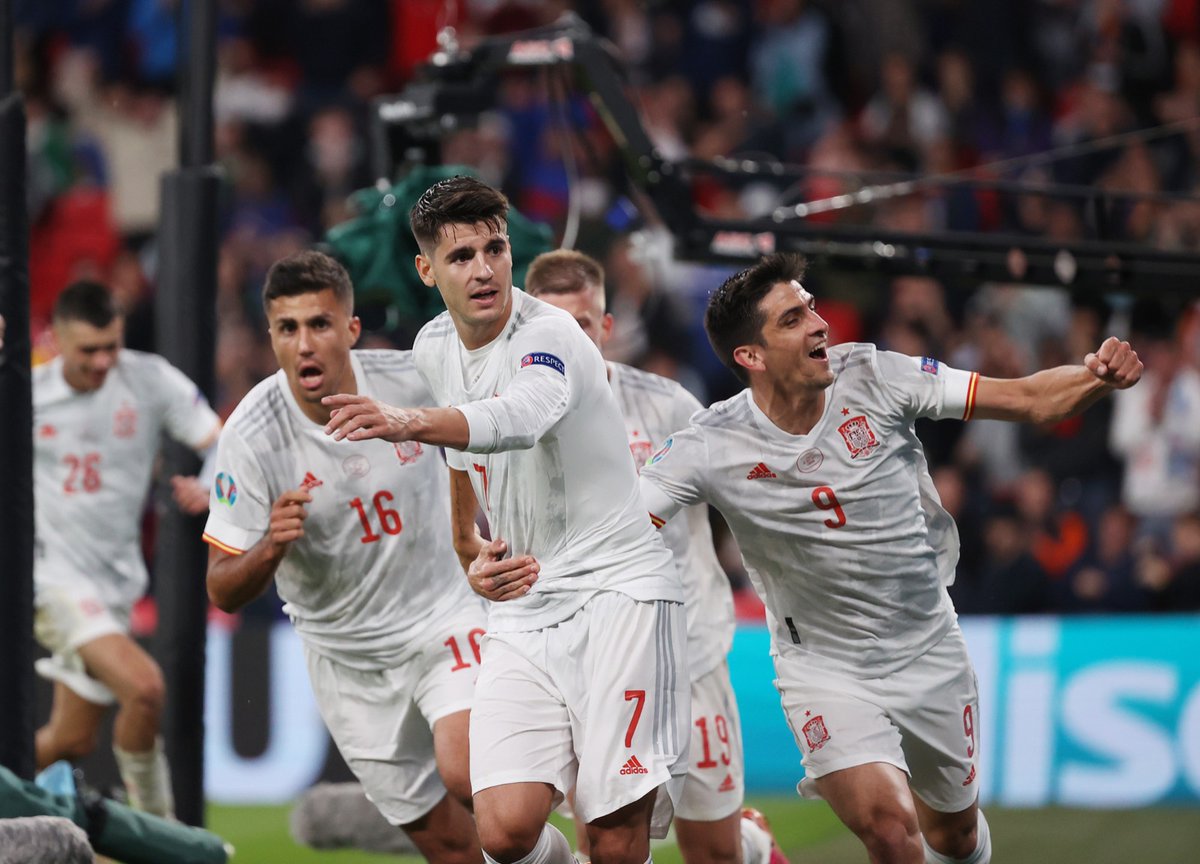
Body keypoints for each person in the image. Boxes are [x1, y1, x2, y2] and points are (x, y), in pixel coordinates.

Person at [636, 253, 1143, 864]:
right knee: (890, 830)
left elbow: (1030, 398)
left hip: (927, 646)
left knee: (954, 835)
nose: (820, 324)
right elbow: (622, 525)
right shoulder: (711, 443)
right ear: (752, 355)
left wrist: (1097, 376)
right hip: (823, 667)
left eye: (811, 307)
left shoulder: (877, 376)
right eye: (793, 319)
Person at [322, 175, 689, 864]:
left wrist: (407, 421)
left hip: (618, 594)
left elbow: (519, 417)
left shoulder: (548, 333)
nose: (484, 269)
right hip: (526, 602)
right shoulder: (435, 346)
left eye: (495, 249)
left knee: (612, 832)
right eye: (461, 256)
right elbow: (465, 454)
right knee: (504, 831)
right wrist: (468, 544)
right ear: (426, 270)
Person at [201, 250, 484, 864]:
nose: (304, 344)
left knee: (470, 775)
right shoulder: (251, 435)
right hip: (348, 664)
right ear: (272, 337)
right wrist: (271, 545)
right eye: (288, 328)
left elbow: (482, 429)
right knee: (453, 848)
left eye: (319, 324)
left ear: (351, 329)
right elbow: (220, 588)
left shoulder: (411, 379)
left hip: (445, 619)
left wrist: (470, 528)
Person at [523, 249, 786, 864]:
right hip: (588, 660)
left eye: (582, 324)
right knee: (602, 844)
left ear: (607, 326)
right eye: (554, 326)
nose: (571, 340)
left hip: (687, 652)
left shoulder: (668, 406)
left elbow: (739, 497)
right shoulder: (515, 422)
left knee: (713, 852)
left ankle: (751, 843)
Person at [33, 280, 222, 817]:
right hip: (54, 581)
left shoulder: (148, 379)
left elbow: (219, 439)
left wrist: (209, 484)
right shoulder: (29, 393)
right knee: (145, 689)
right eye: (88, 350)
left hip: (116, 585)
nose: (102, 361)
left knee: (69, 740)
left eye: (110, 346)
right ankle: (158, 832)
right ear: (57, 341)